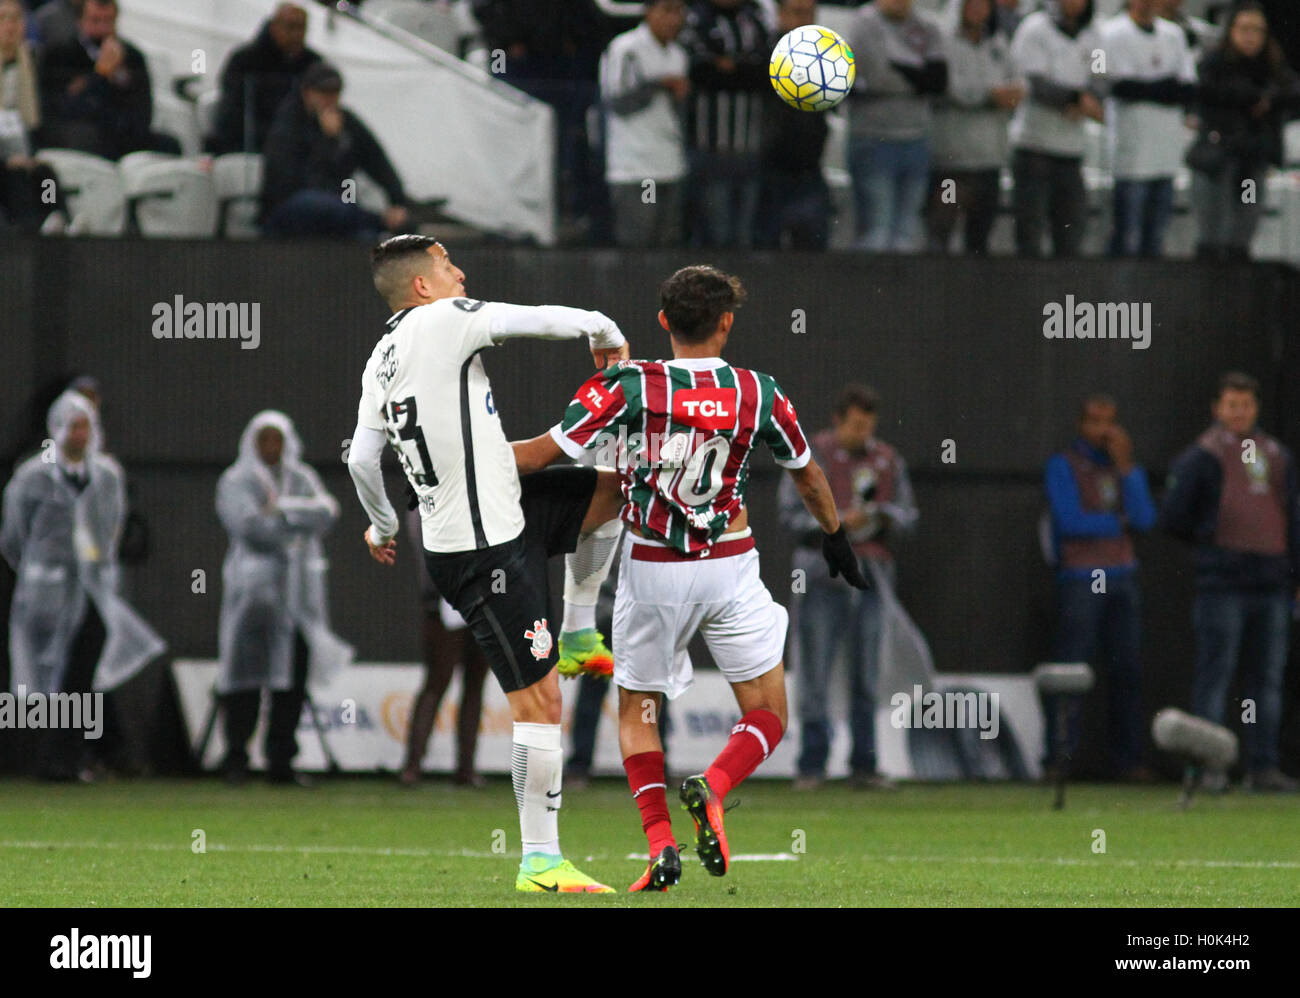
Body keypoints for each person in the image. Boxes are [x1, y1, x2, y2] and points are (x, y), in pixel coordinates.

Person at [511, 265, 871, 892]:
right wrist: (835, 536)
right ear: (726, 323)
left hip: (652, 570)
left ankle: (659, 847)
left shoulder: (633, 386)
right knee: (766, 713)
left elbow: (544, 452)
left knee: (638, 711)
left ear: (662, 323)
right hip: (729, 565)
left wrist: (454, 462)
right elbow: (809, 475)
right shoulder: (757, 392)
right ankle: (717, 784)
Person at [347, 234, 630, 893]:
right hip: (484, 550)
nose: (460, 273)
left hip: (504, 512)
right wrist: (604, 328)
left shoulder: (378, 360)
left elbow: (361, 460)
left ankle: (581, 628)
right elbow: (539, 319)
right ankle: (539, 860)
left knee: (618, 488)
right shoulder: (447, 319)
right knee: (540, 699)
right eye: (448, 267)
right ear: (424, 285)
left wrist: (383, 524)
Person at [1, 390, 164, 779]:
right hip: (46, 593)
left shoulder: (107, 475)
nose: (80, 434)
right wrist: (41, 571)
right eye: (73, 425)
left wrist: (95, 569)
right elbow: (13, 537)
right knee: (41, 679)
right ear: (57, 427)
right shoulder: (33, 475)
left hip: (91, 592)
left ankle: (71, 757)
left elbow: (112, 529)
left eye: (85, 425)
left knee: (81, 676)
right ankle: (44, 760)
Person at [1162, 372, 1300, 792]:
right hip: (1223, 583)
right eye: (1232, 405)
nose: (1239, 412)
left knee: (1267, 679)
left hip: (1272, 582)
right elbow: (1173, 516)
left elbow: (1292, 516)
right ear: (1217, 408)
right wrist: (1213, 547)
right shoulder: (1201, 455)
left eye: (1246, 405)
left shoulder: (1277, 454)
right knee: (1216, 674)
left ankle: (1262, 766)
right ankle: (1210, 767)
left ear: (1255, 408)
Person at [778, 384, 916, 791]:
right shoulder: (810, 455)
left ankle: (864, 763)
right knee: (815, 671)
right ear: (838, 420)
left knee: (868, 672)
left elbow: (910, 516)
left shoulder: (887, 459)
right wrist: (837, 523)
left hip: (872, 575)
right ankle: (812, 763)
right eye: (856, 425)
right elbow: (789, 517)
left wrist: (886, 517)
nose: (863, 433)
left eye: (868, 425)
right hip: (823, 573)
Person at [216, 411, 351, 787]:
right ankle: (237, 758)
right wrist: (294, 521)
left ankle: (281, 761)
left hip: (296, 600)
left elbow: (327, 513)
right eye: (264, 440)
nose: (271, 448)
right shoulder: (236, 479)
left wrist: (281, 510)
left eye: (277, 440)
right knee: (244, 678)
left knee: (291, 681)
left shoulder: (301, 477)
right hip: (254, 595)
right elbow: (248, 527)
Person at [1043, 394, 1156, 780]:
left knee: (1127, 669)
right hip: (1081, 576)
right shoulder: (1064, 465)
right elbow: (1071, 521)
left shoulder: (1123, 469)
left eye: (1110, 422)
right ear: (1081, 424)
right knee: (1072, 668)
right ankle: (1059, 758)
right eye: (1095, 421)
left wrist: (1127, 468)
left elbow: (1144, 518)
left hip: (1122, 574)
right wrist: (1116, 521)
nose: (1103, 431)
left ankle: (1129, 761)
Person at [1189, 1, 1300, 262]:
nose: (1251, 36)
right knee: (1214, 234)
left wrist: (1268, 98)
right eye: (1245, 29)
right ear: (1231, 31)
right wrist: (1254, 97)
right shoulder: (1214, 63)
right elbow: (1214, 92)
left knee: (1244, 229)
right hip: (1218, 162)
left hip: (1252, 164)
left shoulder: (1273, 67)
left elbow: (1292, 91)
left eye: (1257, 30)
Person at [260, 62, 410, 239]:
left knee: (365, 233)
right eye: (324, 93)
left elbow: (377, 160)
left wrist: (397, 201)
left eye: (335, 93)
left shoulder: (347, 122)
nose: (330, 99)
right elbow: (300, 180)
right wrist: (328, 141)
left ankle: (377, 223)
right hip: (290, 205)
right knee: (319, 204)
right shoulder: (288, 125)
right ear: (307, 93)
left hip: (339, 204)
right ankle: (376, 221)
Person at [847, 0, 948, 253]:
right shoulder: (863, 25)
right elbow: (872, 75)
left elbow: (939, 80)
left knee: (907, 231)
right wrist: (916, 77)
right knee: (877, 229)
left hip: (917, 137)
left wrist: (900, 74)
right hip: (873, 138)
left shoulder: (927, 27)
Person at [398, 505, 489, 788]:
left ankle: (466, 767)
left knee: (475, 683)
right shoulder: (427, 496)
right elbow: (428, 551)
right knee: (437, 681)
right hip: (445, 601)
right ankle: (413, 764)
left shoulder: (485, 491)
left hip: (484, 601)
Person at [1099, 0, 1196, 258]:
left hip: (1165, 151)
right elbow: (1117, 85)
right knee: (1126, 233)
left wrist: (1146, 88)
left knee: (1156, 236)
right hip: (1131, 153)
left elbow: (1186, 87)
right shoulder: (1111, 32)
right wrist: (1162, 88)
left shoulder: (1173, 34)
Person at [1007, 0, 1104, 258]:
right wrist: (1074, 99)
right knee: (1030, 232)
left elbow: (1100, 77)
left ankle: (1065, 296)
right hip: (1034, 146)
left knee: (1071, 234)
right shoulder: (1035, 28)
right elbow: (1032, 82)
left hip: (1071, 150)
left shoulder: (1094, 34)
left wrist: (1091, 99)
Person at [928, 0, 1024, 254]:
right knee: (941, 230)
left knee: (980, 239)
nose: (978, 10)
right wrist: (990, 95)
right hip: (952, 163)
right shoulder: (943, 42)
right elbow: (948, 87)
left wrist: (1013, 94)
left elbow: (1019, 82)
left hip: (989, 160)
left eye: (984, 5)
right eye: (971, 4)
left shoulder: (997, 43)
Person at [36, 0, 179, 160]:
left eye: (109, 21)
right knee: (89, 138)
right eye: (96, 21)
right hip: (80, 132)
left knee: (169, 145)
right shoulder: (59, 55)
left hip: (121, 132)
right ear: (80, 21)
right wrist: (100, 76)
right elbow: (63, 109)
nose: (103, 28)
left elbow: (143, 111)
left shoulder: (132, 57)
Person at [598, 0, 689, 248]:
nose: (674, 19)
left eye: (679, 11)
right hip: (638, 170)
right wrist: (660, 85)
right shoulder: (626, 49)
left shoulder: (678, 53)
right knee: (640, 242)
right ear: (649, 12)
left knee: (667, 243)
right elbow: (617, 103)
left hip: (671, 164)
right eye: (667, 10)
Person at [679, 0, 771, 248]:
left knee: (745, 235)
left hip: (749, 145)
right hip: (707, 147)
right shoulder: (695, 20)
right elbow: (700, 72)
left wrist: (729, 68)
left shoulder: (755, 21)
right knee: (716, 233)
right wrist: (741, 69)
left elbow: (765, 72)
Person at [754, 0, 832, 251]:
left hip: (810, 168)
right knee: (766, 244)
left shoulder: (825, 55)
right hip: (771, 168)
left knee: (814, 245)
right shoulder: (764, 52)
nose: (802, 20)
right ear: (780, 14)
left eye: (808, 13)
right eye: (796, 13)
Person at [208, 2, 321, 155]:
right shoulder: (245, 61)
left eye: (301, 28)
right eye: (291, 27)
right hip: (247, 143)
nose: (296, 34)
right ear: (274, 26)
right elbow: (233, 111)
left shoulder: (313, 64)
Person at [0, 0, 65, 233]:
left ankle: (55, 218)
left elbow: (37, 118)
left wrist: (30, 153)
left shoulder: (32, 64)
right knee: (16, 175)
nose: (10, 26)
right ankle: (28, 230)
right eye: (3, 19)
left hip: (23, 144)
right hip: (4, 157)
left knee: (45, 173)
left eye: (17, 19)